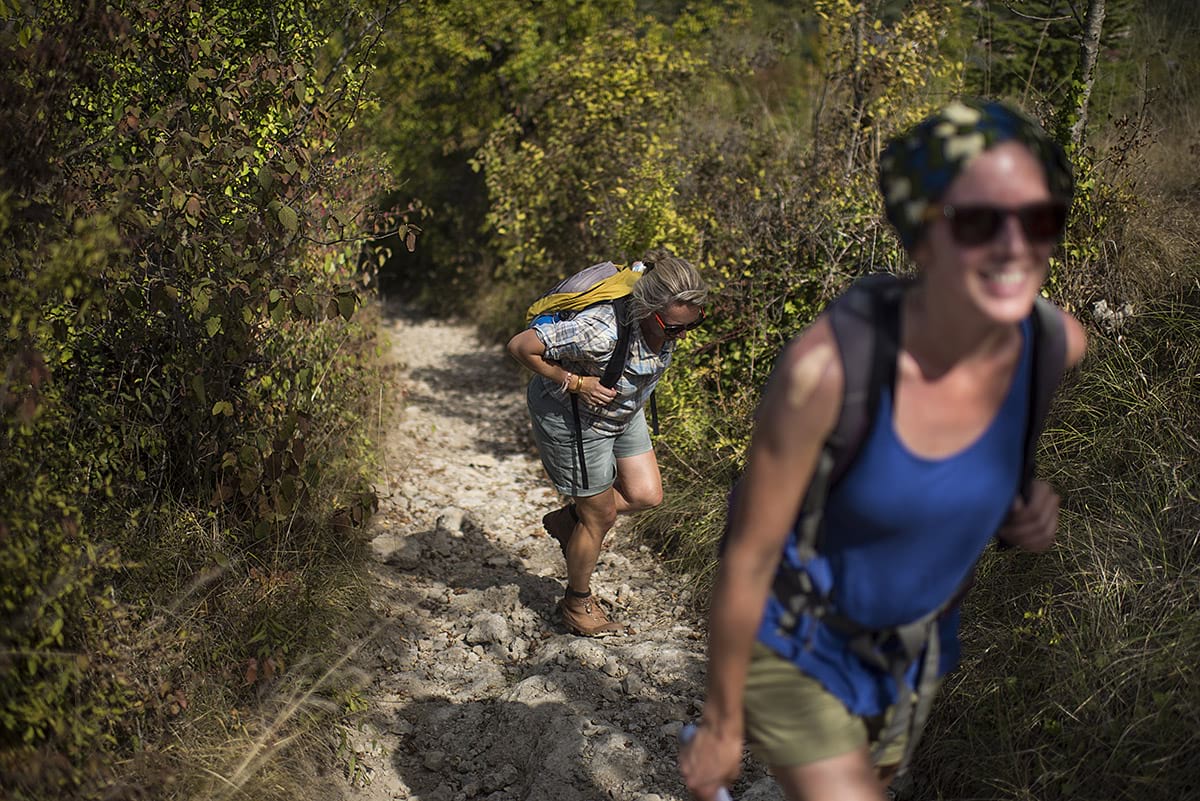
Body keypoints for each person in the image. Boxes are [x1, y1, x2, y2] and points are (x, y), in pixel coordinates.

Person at [679, 99, 1088, 801]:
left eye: (1040, 218)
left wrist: (1027, 504)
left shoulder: (1052, 345)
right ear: (921, 236)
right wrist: (721, 724)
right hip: (794, 641)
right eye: (981, 221)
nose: (1016, 245)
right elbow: (747, 552)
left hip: (913, 650)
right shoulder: (830, 373)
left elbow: (992, 476)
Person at [507, 254, 708, 637]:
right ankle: (576, 603)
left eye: (693, 325)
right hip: (574, 417)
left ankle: (572, 520)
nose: (681, 335)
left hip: (621, 411)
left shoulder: (666, 323)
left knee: (646, 494)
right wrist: (576, 382)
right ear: (647, 308)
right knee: (601, 517)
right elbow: (521, 346)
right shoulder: (600, 330)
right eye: (673, 327)